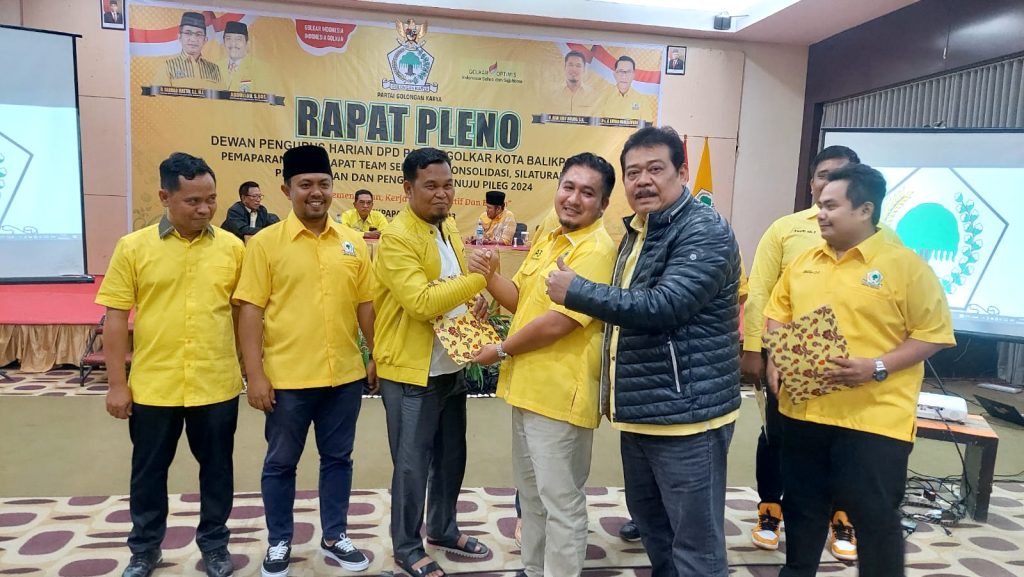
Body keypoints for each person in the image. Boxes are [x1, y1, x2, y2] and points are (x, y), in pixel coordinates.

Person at [547, 126, 742, 577]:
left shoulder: (703, 230)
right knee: (655, 529)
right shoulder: (641, 230)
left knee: (696, 545)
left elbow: (665, 305)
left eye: (656, 169)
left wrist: (577, 291)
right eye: (633, 172)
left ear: (682, 173)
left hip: (688, 415)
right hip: (643, 411)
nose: (643, 181)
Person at [764, 163, 954, 577]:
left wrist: (877, 366)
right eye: (819, 205)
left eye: (831, 206)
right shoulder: (805, 261)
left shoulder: (905, 266)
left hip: (873, 417)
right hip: (805, 411)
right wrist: (776, 355)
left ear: (865, 209)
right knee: (802, 506)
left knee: (873, 515)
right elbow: (778, 312)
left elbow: (934, 335)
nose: (820, 214)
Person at [469, 153, 617, 577]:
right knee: (531, 498)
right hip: (527, 390)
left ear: (603, 204)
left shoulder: (596, 250)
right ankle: (534, 570)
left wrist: (501, 350)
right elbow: (521, 301)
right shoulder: (550, 237)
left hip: (560, 397)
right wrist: (489, 276)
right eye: (568, 187)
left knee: (561, 502)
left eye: (587, 192)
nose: (573, 198)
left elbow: (558, 324)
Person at [96, 152, 243, 577]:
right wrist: (117, 384)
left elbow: (241, 314)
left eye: (210, 200)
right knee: (148, 473)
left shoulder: (233, 248)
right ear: (165, 197)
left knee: (217, 471)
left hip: (215, 382)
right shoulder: (133, 247)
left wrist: (247, 366)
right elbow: (115, 317)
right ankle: (145, 549)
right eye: (193, 201)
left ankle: (215, 545)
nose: (204, 209)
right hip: (154, 386)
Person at [234, 145, 375, 577]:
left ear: (333, 188)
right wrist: (254, 374)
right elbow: (250, 310)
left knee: (338, 460)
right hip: (287, 380)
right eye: (305, 184)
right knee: (280, 463)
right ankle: (279, 540)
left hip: (343, 377)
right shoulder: (265, 244)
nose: (316, 192)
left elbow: (366, 305)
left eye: (323, 184)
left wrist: (376, 355)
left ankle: (335, 534)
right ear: (286, 190)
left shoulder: (353, 242)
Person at [743, 145, 869, 558]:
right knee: (779, 437)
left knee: (845, 441)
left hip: (851, 361)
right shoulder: (786, 229)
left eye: (842, 174)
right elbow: (761, 291)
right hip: (791, 356)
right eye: (823, 175)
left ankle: (842, 516)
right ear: (811, 182)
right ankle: (770, 509)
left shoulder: (879, 237)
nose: (830, 182)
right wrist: (754, 349)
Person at [373, 147, 492, 577]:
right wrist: (478, 280)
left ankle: (442, 528)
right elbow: (421, 302)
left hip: (451, 363)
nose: (442, 194)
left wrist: (477, 298)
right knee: (411, 465)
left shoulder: (448, 226)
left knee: (451, 456)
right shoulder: (396, 237)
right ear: (408, 188)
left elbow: (452, 282)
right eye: (431, 186)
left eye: (448, 185)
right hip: (412, 370)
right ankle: (407, 546)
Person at [153, 12, 222, 89]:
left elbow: (221, 95)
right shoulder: (167, 67)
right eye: (188, 33)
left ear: (205, 40)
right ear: (179, 37)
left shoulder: (214, 69)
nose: (193, 39)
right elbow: (158, 96)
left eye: (198, 34)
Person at [555, 51, 600, 116]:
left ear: (584, 69)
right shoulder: (553, 93)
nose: (574, 69)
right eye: (570, 65)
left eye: (578, 66)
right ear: (565, 67)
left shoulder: (594, 95)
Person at [220, 21, 259, 92]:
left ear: (247, 44)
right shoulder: (216, 67)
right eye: (228, 38)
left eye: (238, 39)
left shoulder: (259, 68)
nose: (233, 43)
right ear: (223, 42)